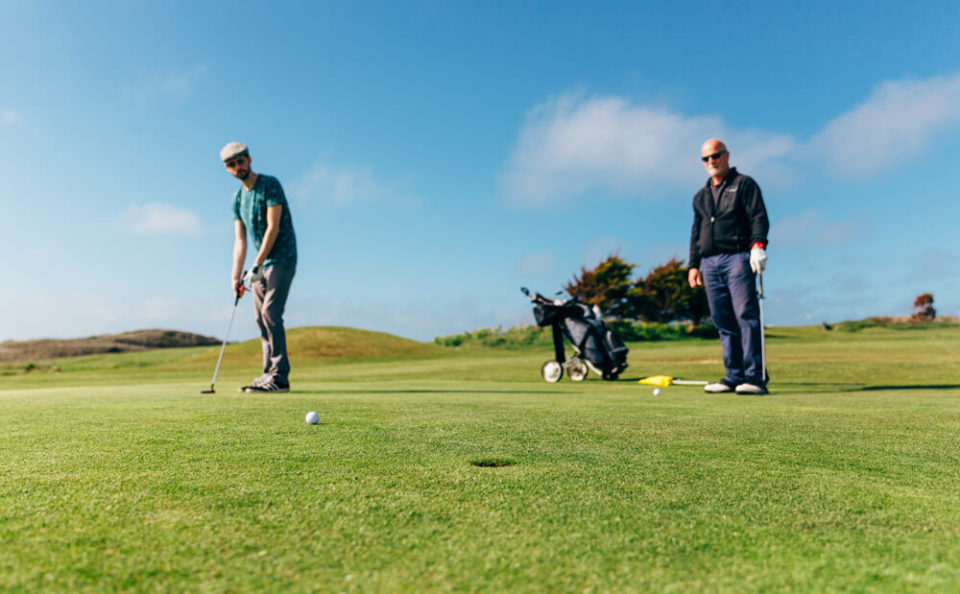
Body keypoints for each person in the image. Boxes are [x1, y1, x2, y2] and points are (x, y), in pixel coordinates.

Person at [687, 139, 769, 395]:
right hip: (709, 262)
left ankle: (755, 376)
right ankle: (733, 376)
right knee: (722, 319)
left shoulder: (744, 184)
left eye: (716, 156)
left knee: (745, 314)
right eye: (706, 158)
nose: (711, 161)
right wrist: (693, 265)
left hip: (738, 257)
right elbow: (696, 232)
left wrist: (758, 245)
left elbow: (758, 216)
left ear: (726, 155)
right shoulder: (700, 196)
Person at [220, 142, 298, 393]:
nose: (237, 167)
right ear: (227, 168)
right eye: (231, 164)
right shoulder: (237, 199)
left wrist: (256, 264)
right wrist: (236, 277)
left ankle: (279, 376)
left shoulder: (269, 185)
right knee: (259, 318)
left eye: (240, 161)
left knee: (270, 313)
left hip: (281, 257)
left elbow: (272, 228)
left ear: (249, 159)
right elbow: (240, 241)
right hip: (260, 265)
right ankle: (267, 374)